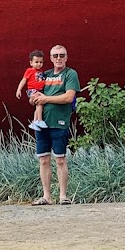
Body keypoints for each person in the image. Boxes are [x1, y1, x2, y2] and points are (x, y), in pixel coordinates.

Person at [29, 44, 80, 205]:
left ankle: (63, 196)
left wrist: (46, 99)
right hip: (42, 123)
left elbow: (68, 97)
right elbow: (32, 96)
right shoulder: (45, 75)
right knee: (43, 159)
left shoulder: (70, 74)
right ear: (50, 58)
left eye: (62, 55)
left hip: (60, 122)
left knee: (60, 159)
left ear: (66, 57)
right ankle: (46, 196)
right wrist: (34, 98)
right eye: (55, 55)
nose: (59, 58)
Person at [16, 50, 48, 131]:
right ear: (31, 63)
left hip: (39, 90)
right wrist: (19, 90)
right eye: (36, 62)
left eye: (41, 62)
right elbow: (23, 80)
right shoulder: (30, 70)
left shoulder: (41, 71)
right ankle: (39, 120)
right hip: (33, 90)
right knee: (40, 103)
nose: (39, 64)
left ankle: (34, 122)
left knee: (38, 106)